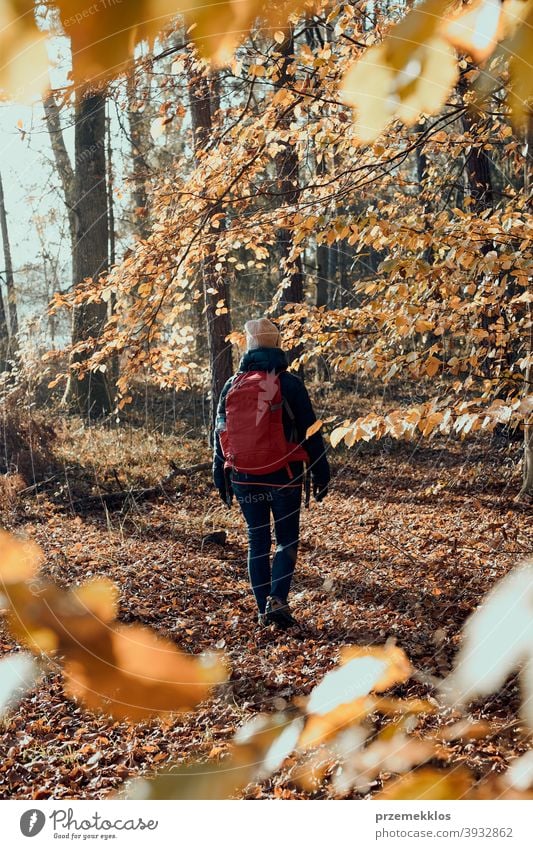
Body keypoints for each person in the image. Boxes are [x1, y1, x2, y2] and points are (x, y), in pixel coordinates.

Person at [212, 317, 330, 630]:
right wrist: (322, 472)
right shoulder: (289, 383)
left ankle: (263, 610)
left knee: (258, 541)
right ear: (277, 345)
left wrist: (219, 476)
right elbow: (311, 432)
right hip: (285, 475)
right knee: (286, 540)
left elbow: (219, 433)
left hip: (243, 476)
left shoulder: (231, 385)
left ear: (248, 347)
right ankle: (277, 600)